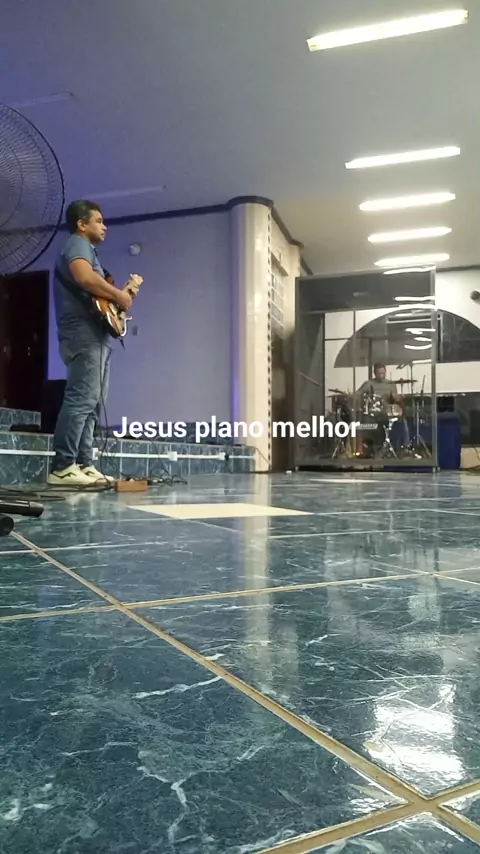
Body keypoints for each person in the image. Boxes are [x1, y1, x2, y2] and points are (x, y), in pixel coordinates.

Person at [47, 200, 132, 486]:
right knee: (82, 399)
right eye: (98, 221)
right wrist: (119, 296)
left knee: (94, 403)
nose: (104, 226)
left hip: (94, 335)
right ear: (82, 224)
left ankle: (84, 463)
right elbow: (85, 278)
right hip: (81, 334)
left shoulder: (87, 249)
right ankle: (63, 467)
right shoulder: (77, 244)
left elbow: (95, 293)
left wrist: (116, 301)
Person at [354, 363, 404, 456]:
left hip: (386, 412)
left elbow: (394, 398)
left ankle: (400, 448)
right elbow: (358, 394)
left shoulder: (391, 384)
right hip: (373, 412)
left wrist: (397, 397)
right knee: (366, 423)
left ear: (385, 372)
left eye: (383, 373)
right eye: (379, 373)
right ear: (374, 373)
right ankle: (370, 449)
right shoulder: (368, 384)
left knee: (402, 421)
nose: (381, 375)